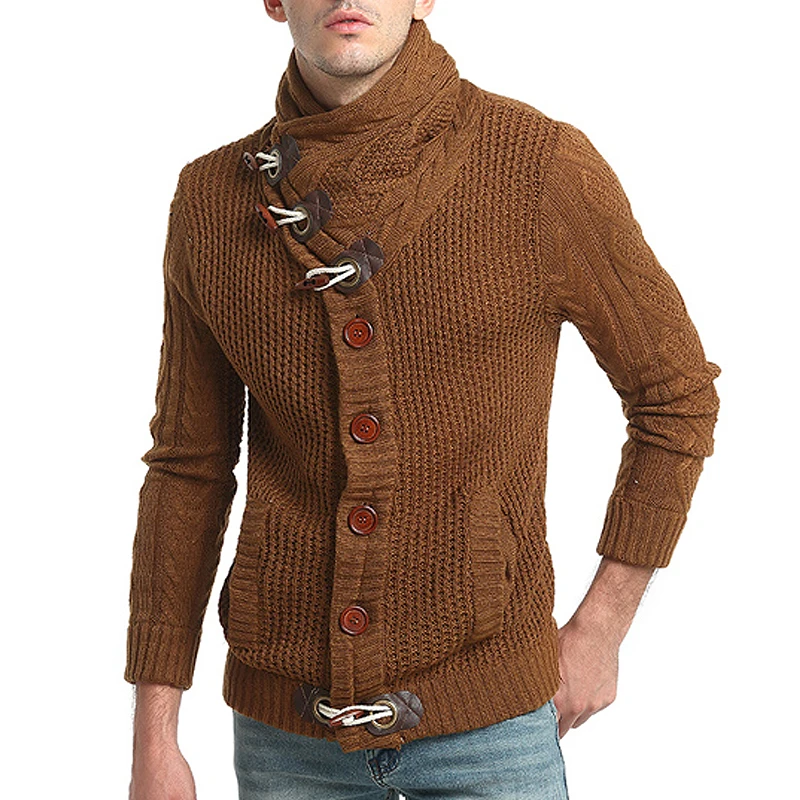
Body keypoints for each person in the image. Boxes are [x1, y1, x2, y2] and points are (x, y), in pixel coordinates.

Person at [126, 1, 720, 798]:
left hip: (495, 721)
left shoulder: (537, 166)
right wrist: (154, 735)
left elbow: (675, 397)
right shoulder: (208, 201)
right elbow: (187, 469)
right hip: (285, 738)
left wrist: (602, 627)